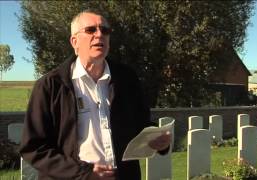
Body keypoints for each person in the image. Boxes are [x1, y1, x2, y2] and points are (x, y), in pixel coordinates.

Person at [20, 10, 171, 180]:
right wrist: (83, 173)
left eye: (105, 30)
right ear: (74, 41)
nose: (100, 34)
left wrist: (158, 141)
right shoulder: (51, 85)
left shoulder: (127, 79)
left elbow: (140, 124)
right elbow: (33, 147)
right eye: (91, 30)